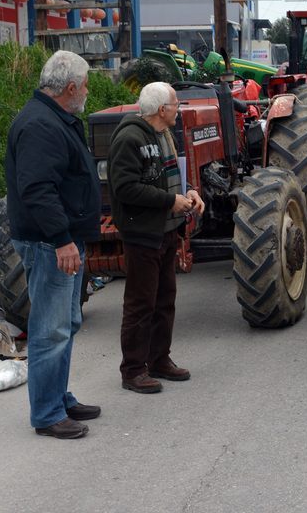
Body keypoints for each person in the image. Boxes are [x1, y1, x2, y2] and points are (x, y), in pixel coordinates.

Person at [4, 50, 101, 439]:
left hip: (60, 239)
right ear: (72, 87)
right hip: (49, 243)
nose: (88, 93)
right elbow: (38, 189)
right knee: (50, 329)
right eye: (87, 87)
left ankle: (59, 397)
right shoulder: (41, 124)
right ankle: (46, 413)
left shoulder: (55, 117)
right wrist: (62, 240)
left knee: (67, 323)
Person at [107, 82, 205, 394]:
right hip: (142, 234)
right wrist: (168, 200)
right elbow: (124, 188)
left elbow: (169, 176)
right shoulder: (129, 137)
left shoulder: (163, 134)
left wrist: (187, 192)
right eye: (176, 104)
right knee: (140, 304)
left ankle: (159, 359)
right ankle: (133, 370)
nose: (180, 109)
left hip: (166, 231)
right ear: (162, 109)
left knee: (164, 301)